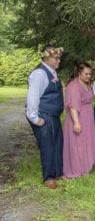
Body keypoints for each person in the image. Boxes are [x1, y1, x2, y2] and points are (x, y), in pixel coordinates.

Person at [26, 45, 65, 189]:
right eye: (56, 58)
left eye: (59, 58)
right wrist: (35, 119)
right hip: (44, 115)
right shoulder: (39, 74)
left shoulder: (52, 72)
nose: (59, 61)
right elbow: (32, 98)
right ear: (46, 58)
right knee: (47, 146)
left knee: (57, 143)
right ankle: (48, 177)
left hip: (53, 115)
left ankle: (57, 173)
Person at [63, 62, 95, 178]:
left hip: (87, 117)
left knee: (86, 142)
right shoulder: (74, 86)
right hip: (78, 117)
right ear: (79, 73)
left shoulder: (86, 84)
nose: (88, 76)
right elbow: (73, 105)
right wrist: (76, 122)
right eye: (86, 74)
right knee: (78, 144)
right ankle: (77, 169)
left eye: (90, 74)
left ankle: (85, 166)